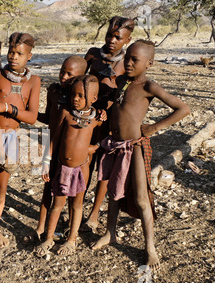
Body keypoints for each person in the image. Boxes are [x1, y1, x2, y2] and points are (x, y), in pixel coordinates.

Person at [91, 40, 191, 271]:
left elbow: (183, 109)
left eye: (135, 60)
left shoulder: (149, 86)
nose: (129, 63)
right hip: (115, 145)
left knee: (142, 197)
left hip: (135, 146)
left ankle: (150, 248)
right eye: (127, 58)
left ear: (149, 63)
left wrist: (155, 127)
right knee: (114, 192)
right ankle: (110, 233)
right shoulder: (123, 82)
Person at [0, 32, 41, 249]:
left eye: (20, 53)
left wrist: (6, 107)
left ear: (29, 56)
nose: (14, 57)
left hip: (11, 138)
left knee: (1, 188)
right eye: (11, 52)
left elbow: (32, 117)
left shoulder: (33, 81)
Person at [37, 75, 104, 257]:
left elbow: (106, 136)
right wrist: (46, 163)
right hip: (62, 167)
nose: (75, 99)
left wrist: (93, 148)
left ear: (93, 99)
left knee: (77, 205)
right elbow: (54, 139)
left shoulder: (95, 119)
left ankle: (72, 240)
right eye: (73, 95)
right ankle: (49, 238)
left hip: (82, 168)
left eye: (81, 96)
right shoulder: (66, 114)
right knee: (57, 204)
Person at [26, 55, 87, 244]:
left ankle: (69, 229)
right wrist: (25, 111)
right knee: (48, 187)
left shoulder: (81, 99)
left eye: (70, 74)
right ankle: (41, 227)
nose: (64, 76)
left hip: (69, 152)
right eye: (62, 71)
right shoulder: (53, 91)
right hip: (51, 145)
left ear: (81, 77)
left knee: (70, 192)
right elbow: (49, 116)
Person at [83, 16, 135, 233]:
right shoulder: (93, 54)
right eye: (109, 35)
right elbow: (80, 78)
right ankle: (75, 205)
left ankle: (94, 214)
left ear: (127, 40)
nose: (112, 40)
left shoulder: (127, 63)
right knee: (84, 163)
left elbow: (127, 93)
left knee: (103, 169)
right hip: (87, 119)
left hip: (109, 122)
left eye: (118, 37)